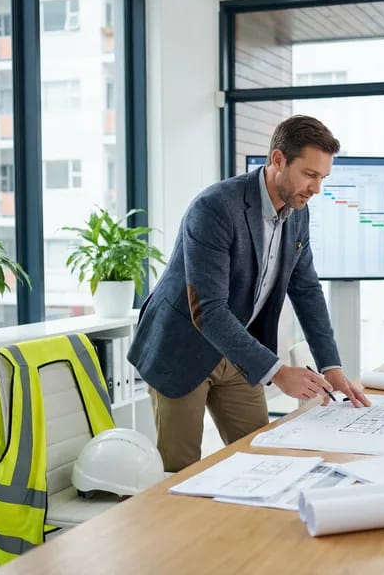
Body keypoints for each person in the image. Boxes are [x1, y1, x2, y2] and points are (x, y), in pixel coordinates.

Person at [127, 115, 371, 472]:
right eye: (310, 174)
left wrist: (331, 365)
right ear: (277, 160)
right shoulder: (215, 208)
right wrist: (278, 372)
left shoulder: (298, 213)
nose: (316, 188)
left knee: (263, 456)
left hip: (238, 347)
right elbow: (208, 311)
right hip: (181, 344)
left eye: (323, 178)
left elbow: (306, 289)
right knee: (179, 473)